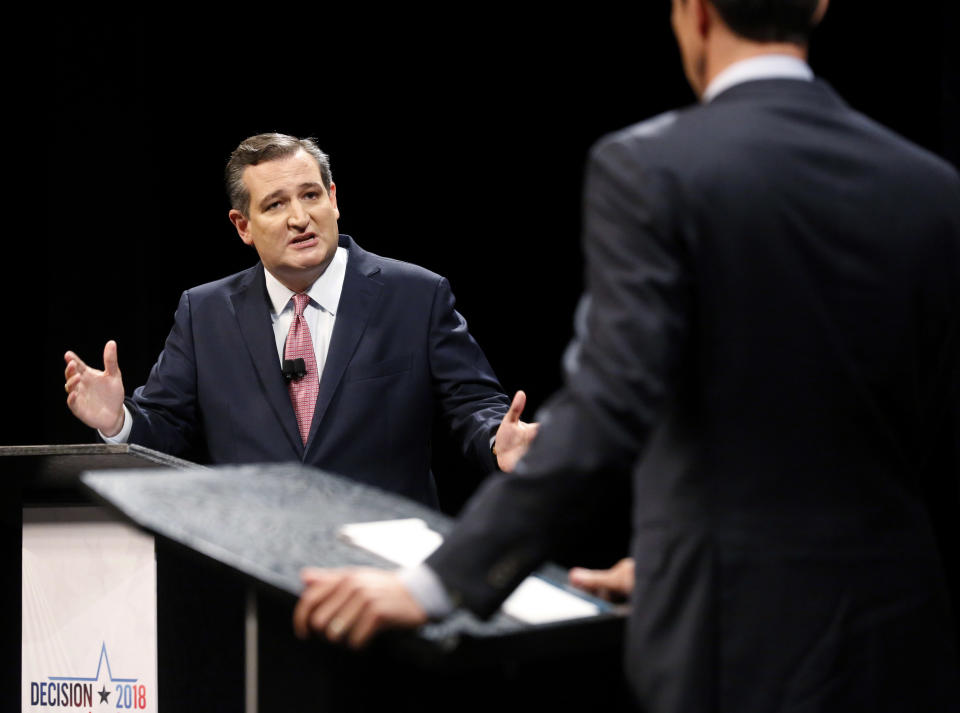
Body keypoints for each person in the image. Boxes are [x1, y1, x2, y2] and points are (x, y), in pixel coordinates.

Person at [292, 1, 960, 710]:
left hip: (734, 647)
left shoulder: (652, 167)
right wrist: (674, 563)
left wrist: (434, 584)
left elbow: (608, 407)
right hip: (900, 634)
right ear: (819, 7)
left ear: (693, 12)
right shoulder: (931, 186)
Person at [63, 133, 537, 507]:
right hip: (254, 570)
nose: (299, 218)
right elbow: (164, 426)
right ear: (242, 225)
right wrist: (118, 421)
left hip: (383, 570)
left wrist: (499, 441)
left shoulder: (415, 295)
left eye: (310, 195)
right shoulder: (204, 312)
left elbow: (472, 404)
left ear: (333, 198)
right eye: (274, 204)